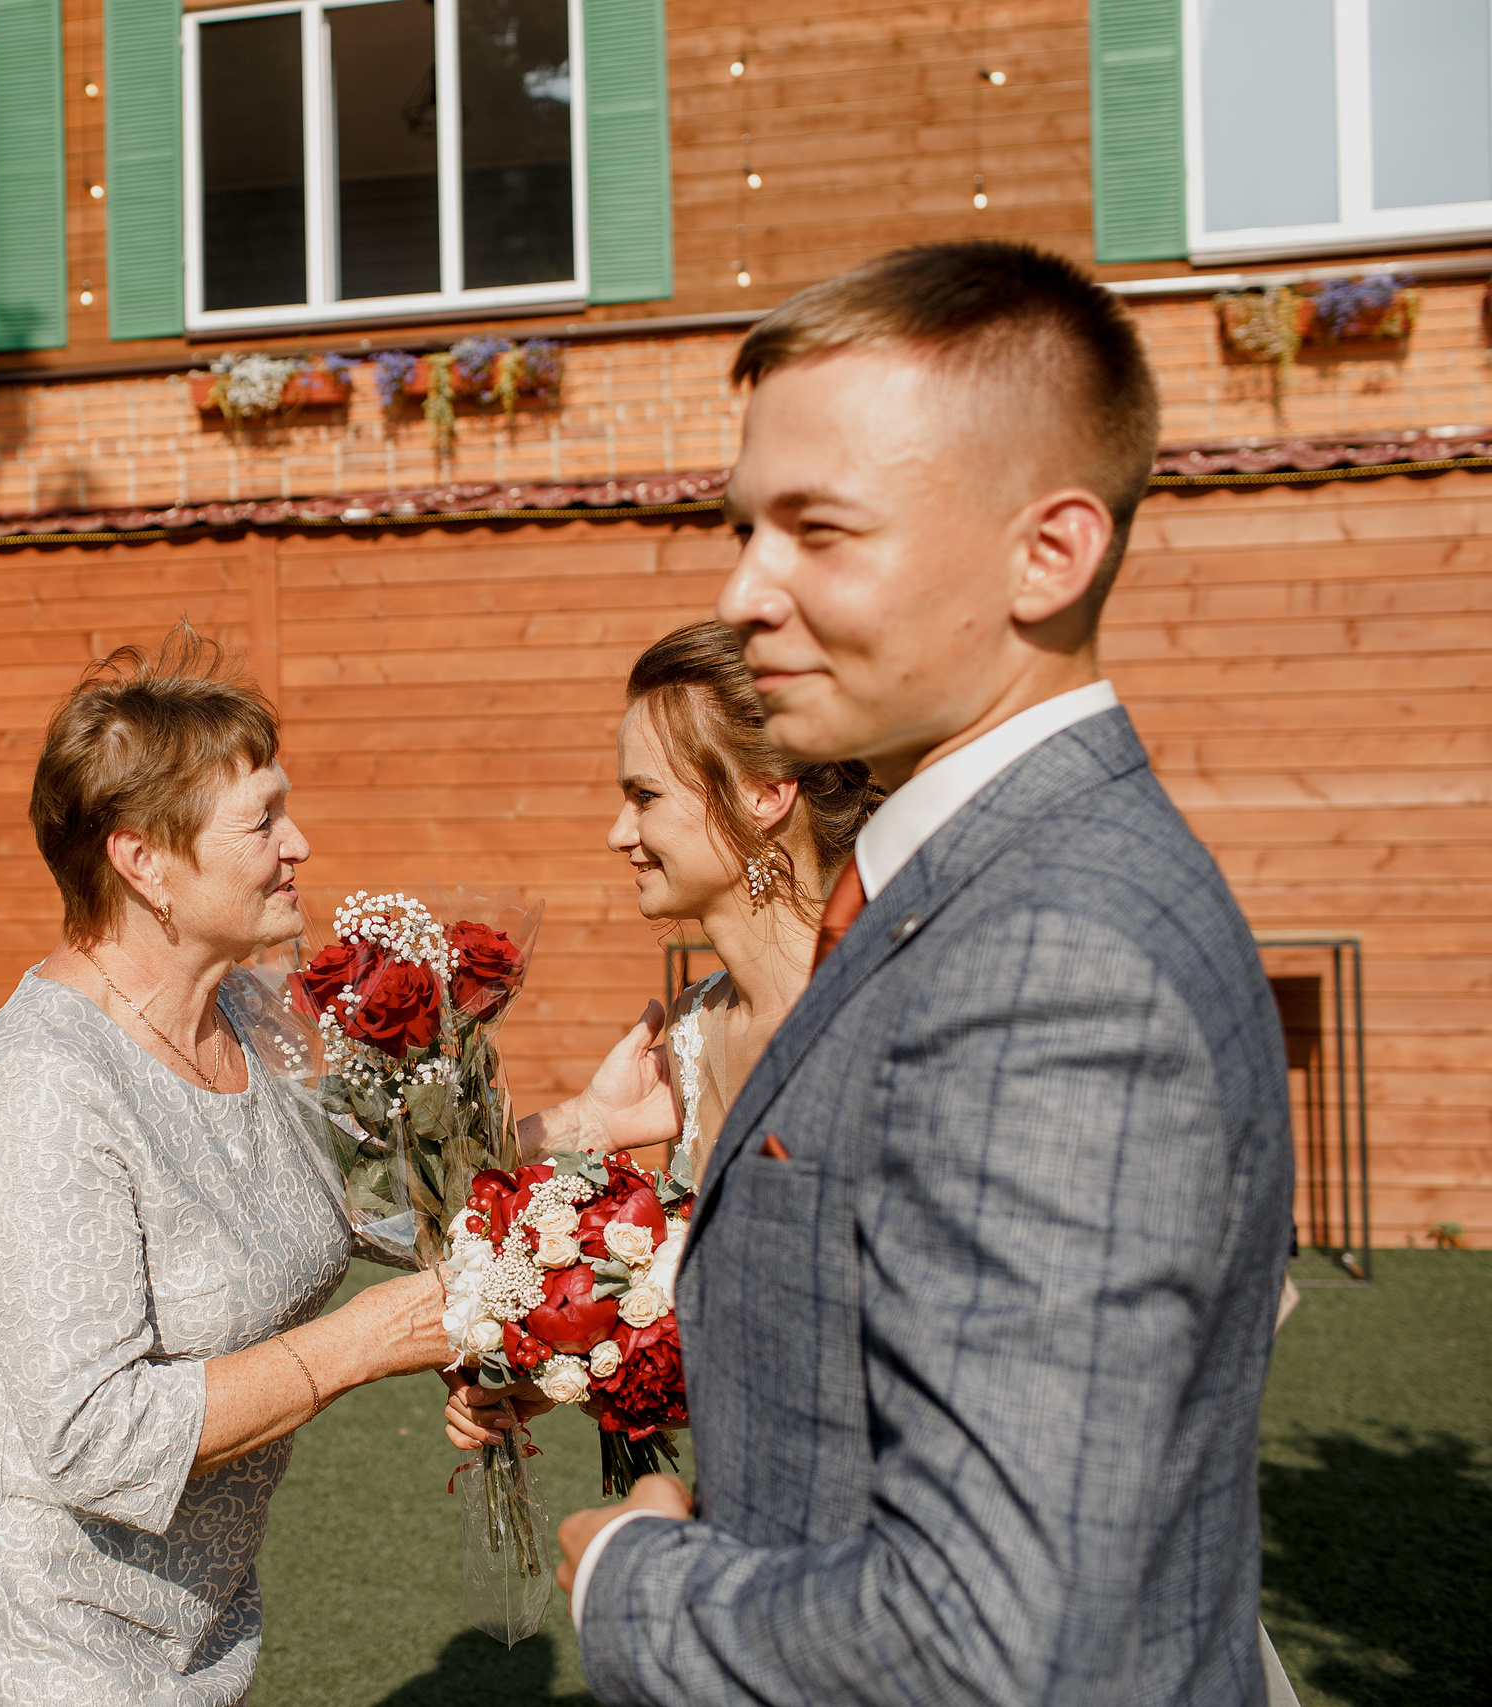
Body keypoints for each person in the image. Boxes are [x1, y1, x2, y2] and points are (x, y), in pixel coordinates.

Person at [558, 242, 1295, 1706]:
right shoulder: (961, 887)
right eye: (746, 528)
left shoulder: (1055, 957)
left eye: (820, 530)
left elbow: (994, 1637)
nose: (746, 590)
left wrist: (626, 1582)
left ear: (1049, 553)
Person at [0, 631, 453, 1707]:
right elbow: (92, 1435)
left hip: (195, 1596)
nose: (299, 842)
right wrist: (365, 1342)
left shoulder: (246, 1008)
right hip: (32, 1605)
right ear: (144, 861)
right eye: (262, 820)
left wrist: (589, 1123)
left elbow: (381, 1190)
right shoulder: (42, 1085)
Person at [507, 622, 879, 1179]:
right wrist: (590, 1120)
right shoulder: (695, 1026)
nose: (617, 835)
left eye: (645, 796)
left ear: (764, 796)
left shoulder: (874, 1014)